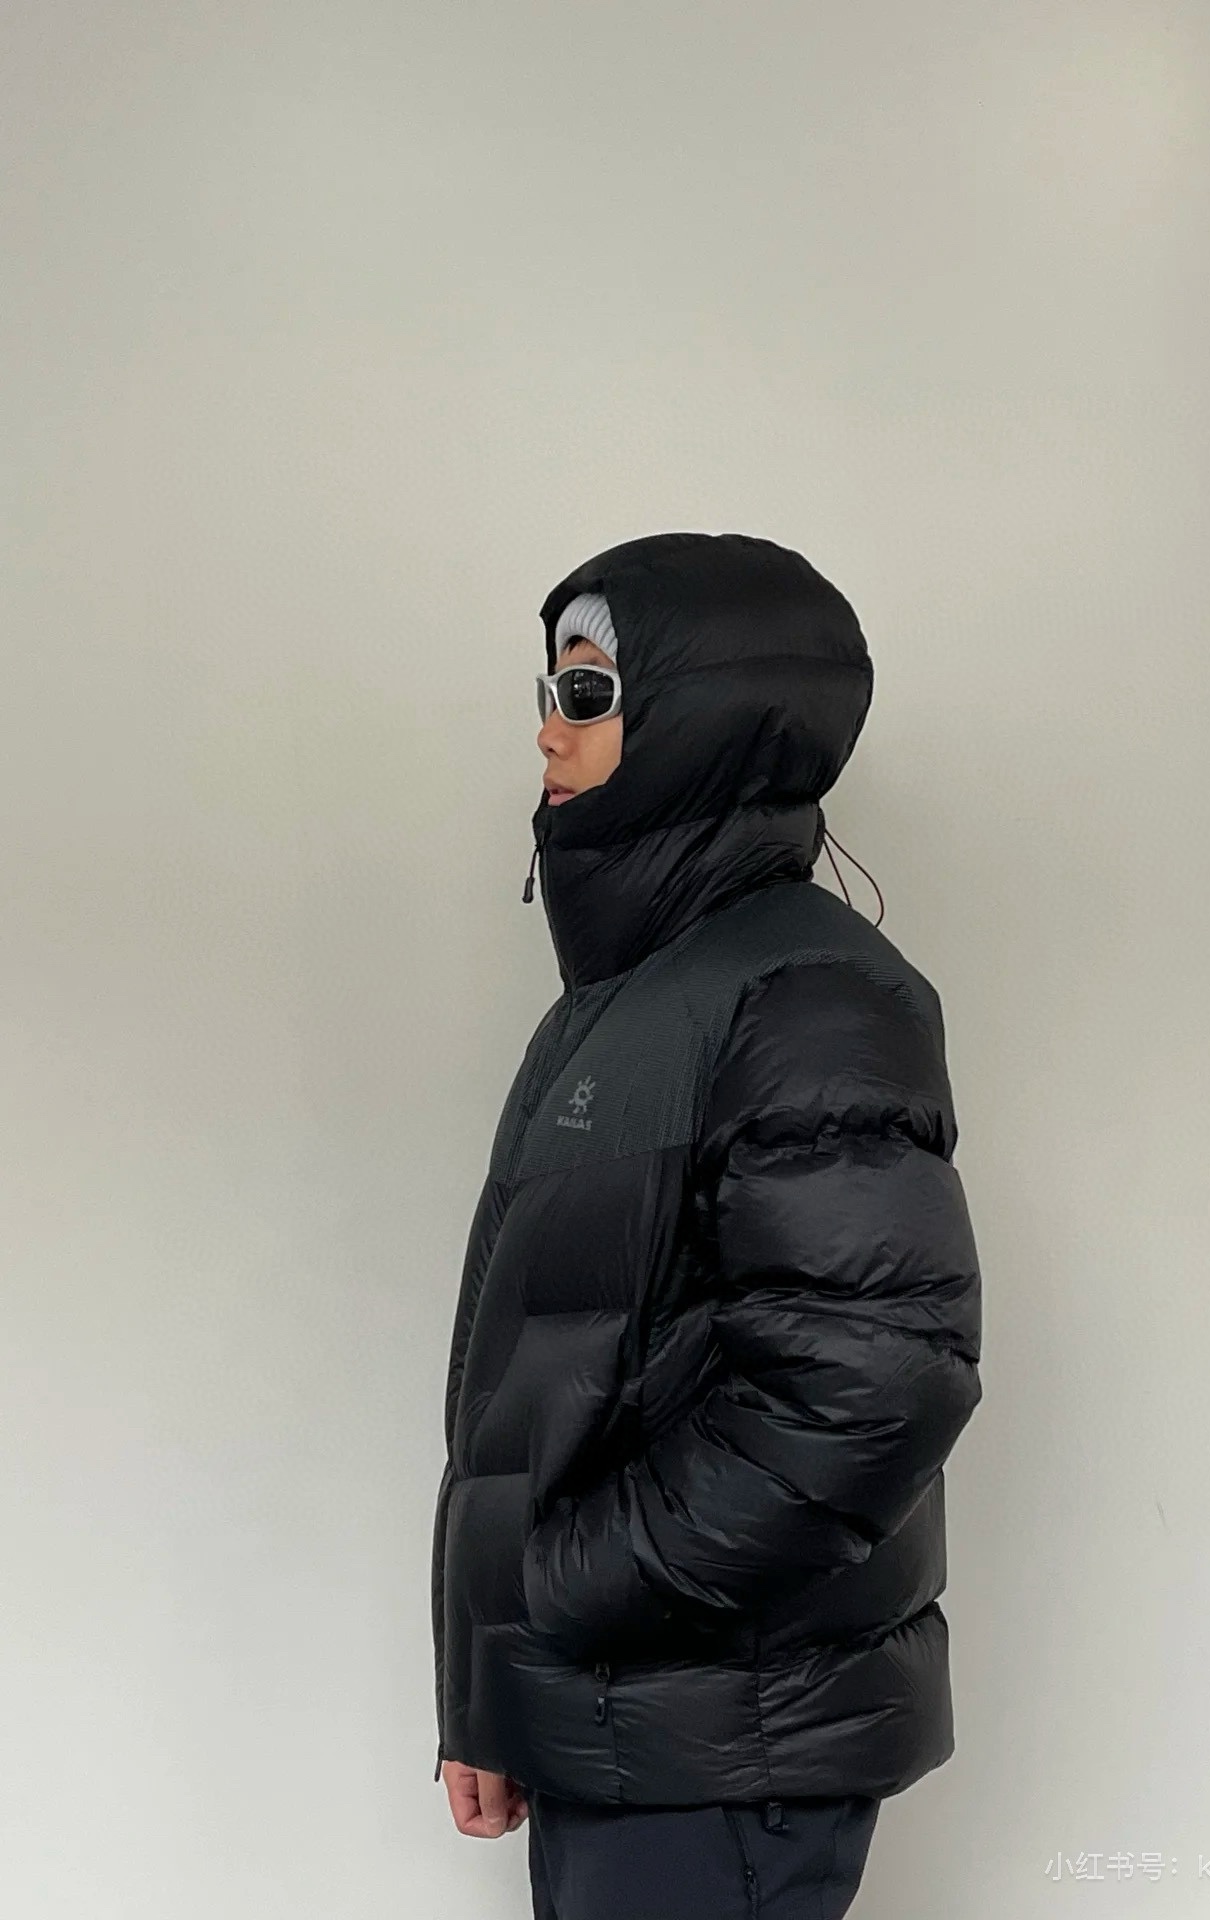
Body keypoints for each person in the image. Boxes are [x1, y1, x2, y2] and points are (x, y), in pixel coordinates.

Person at [432, 531, 984, 1919]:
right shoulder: (617, 1008)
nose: (548, 730)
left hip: (722, 1755)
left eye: (589, 693)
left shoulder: (810, 997)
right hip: (627, 1727)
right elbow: (540, 1390)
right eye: (551, 690)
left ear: (706, 717)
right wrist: (492, 1689)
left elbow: (863, 1393)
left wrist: (556, 1594)